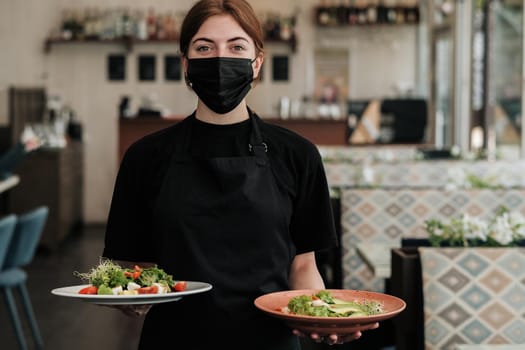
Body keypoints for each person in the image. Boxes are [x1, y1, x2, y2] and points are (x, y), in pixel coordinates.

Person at [102, 1, 378, 349]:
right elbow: (136, 267)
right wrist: (132, 295)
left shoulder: (298, 155)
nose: (220, 59)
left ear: (256, 63)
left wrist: (320, 316)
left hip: (270, 340)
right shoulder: (145, 157)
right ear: (186, 63)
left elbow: (303, 266)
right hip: (174, 339)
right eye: (204, 48)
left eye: (236, 46)